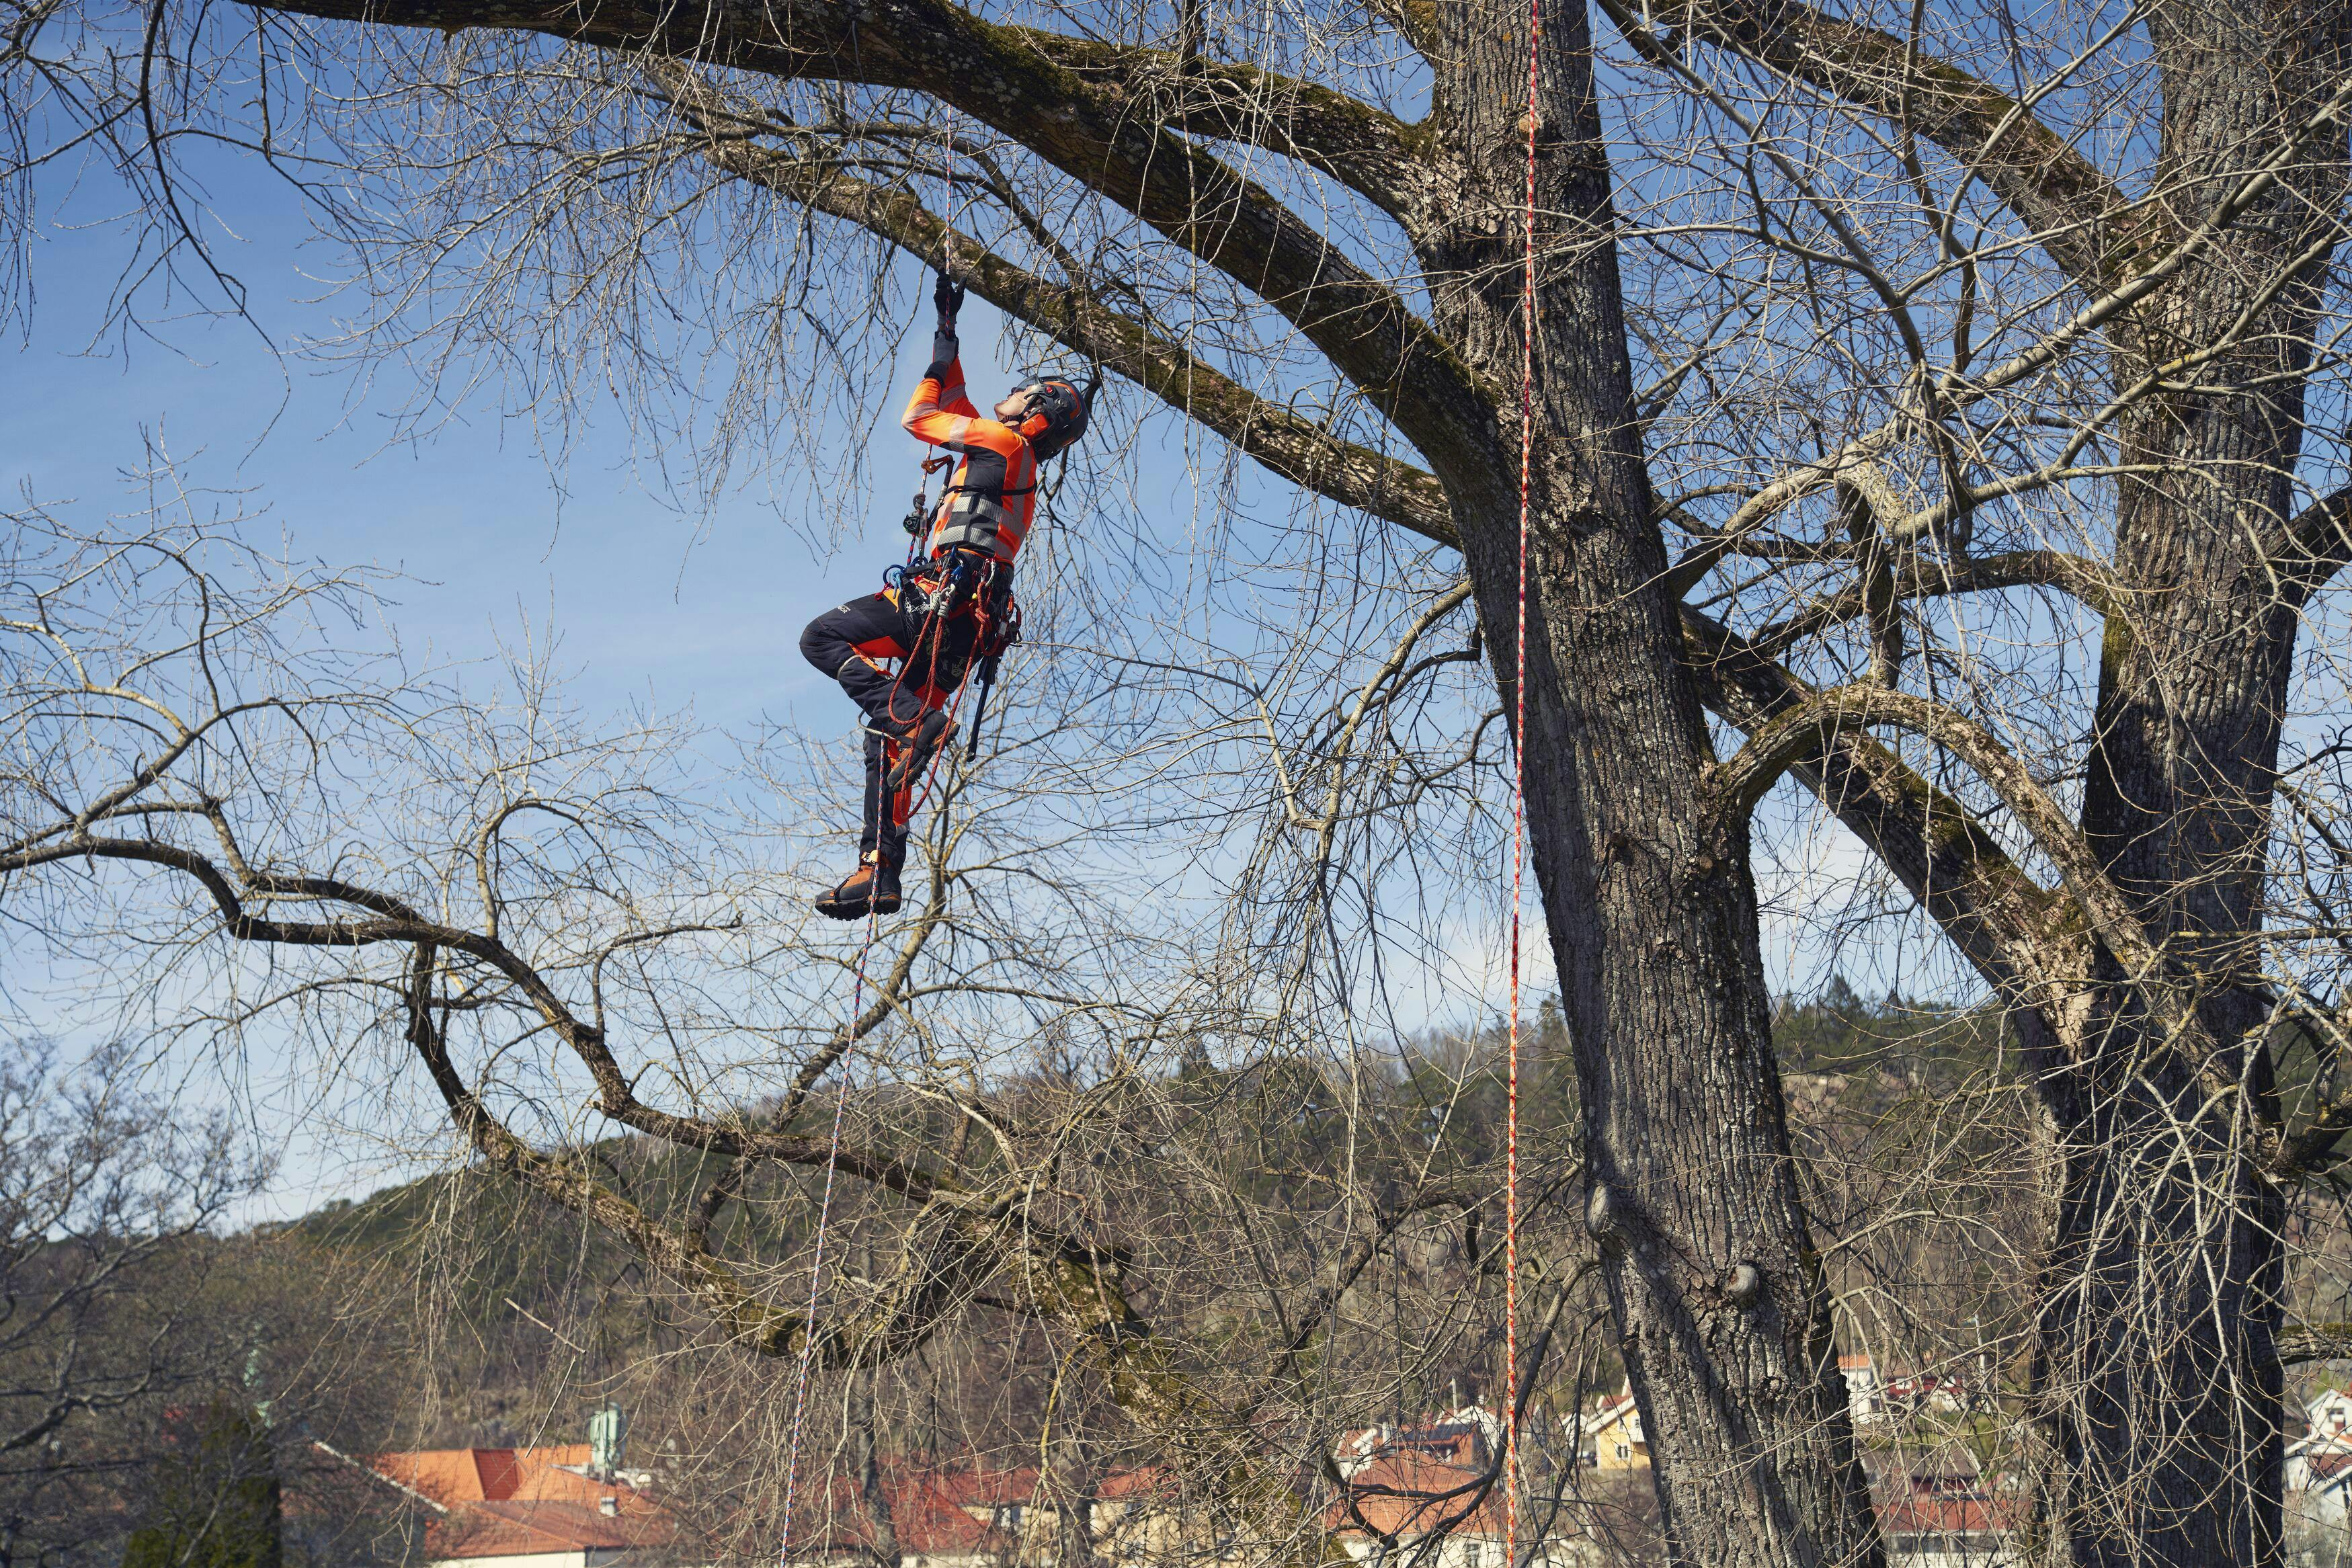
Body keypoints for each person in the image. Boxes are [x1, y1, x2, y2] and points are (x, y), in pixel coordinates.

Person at [799, 271, 1093, 920]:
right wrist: (946, 326)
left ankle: (912, 717)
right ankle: (880, 872)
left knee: (822, 637)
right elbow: (952, 390)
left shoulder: (1003, 442)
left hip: (941, 601)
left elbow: (921, 416)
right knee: (887, 739)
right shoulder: (1012, 460)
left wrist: (943, 354)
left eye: (1020, 394)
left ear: (1036, 413)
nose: (1007, 396)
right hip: (964, 625)